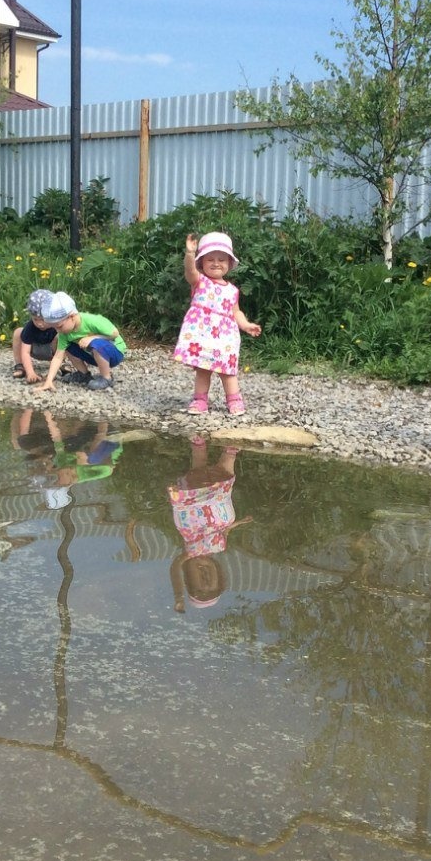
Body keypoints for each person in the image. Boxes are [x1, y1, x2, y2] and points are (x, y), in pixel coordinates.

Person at [172, 232, 262, 416]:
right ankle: (200, 400)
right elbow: (190, 272)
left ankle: (234, 400)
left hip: (225, 337)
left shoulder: (232, 290)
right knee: (203, 368)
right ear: (202, 263)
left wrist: (245, 325)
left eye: (221, 259)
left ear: (229, 263)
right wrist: (190, 254)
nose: (216, 263)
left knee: (227, 371)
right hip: (203, 335)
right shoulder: (200, 282)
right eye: (210, 259)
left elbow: (235, 311)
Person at [167, 437, 251, 611]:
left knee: (197, 473)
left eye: (200, 581)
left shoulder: (187, 555)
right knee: (225, 475)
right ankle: (230, 451)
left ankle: (199, 446)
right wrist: (240, 523)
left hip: (193, 510)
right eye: (210, 580)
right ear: (218, 573)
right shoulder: (220, 546)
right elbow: (225, 531)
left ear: (188, 575)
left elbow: (174, 571)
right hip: (219, 505)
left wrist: (178, 597)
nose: (205, 576)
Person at [33, 291, 128, 392]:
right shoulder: (64, 333)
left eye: (59, 326)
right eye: (55, 328)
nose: (58, 331)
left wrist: (93, 338)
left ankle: (107, 378)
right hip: (93, 356)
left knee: (96, 343)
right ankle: (84, 374)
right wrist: (49, 381)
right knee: (68, 347)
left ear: (72, 316)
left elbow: (115, 333)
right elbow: (58, 356)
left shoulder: (91, 320)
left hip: (115, 353)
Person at [10, 288, 64, 384]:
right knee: (18, 332)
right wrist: (30, 373)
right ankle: (20, 366)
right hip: (34, 349)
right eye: (35, 319)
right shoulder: (30, 327)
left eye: (42, 319)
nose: (40, 324)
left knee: (62, 335)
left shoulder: (57, 324)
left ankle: (61, 365)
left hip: (53, 351)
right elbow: (25, 352)